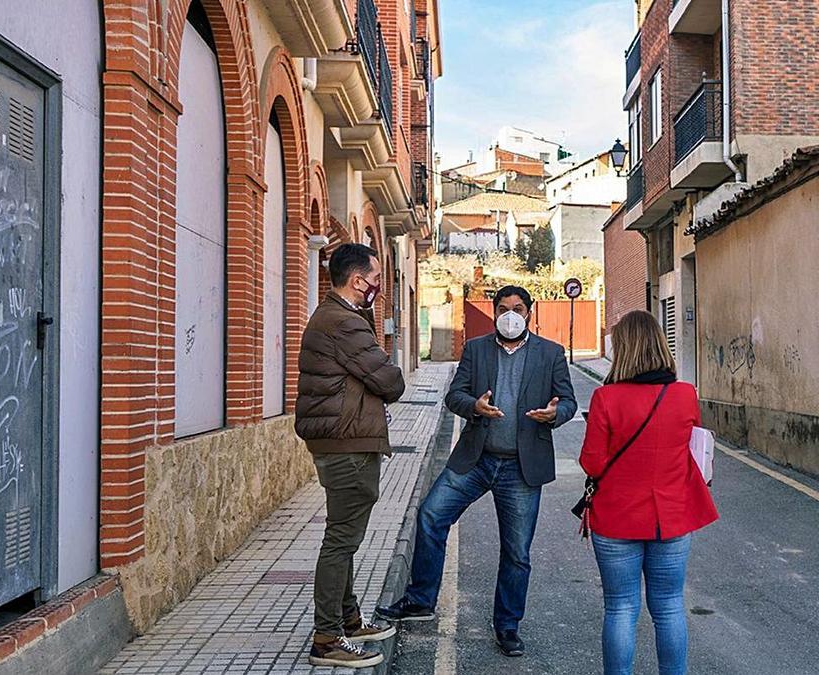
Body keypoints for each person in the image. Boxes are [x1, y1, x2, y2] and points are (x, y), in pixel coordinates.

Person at [378, 285, 577, 657]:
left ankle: (507, 624)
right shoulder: (476, 348)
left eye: (518, 308)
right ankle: (420, 600)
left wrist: (555, 415)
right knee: (431, 515)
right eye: (503, 309)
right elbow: (455, 394)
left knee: (517, 551)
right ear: (495, 312)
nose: (511, 315)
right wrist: (474, 406)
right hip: (477, 457)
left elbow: (568, 400)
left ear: (529, 312)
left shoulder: (550, 353)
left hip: (521, 467)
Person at [578, 310, 718, 675]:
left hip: (616, 520)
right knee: (670, 607)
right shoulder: (686, 395)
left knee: (621, 608)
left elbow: (592, 464)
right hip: (670, 518)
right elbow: (693, 450)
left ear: (623, 350)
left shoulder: (605, 398)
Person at [295, 243, 406, 668]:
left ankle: (348, 619)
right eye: (376, 279)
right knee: (341, 540)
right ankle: (327, 638)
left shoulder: (336, 317)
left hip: (342, 440)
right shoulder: (345, 323)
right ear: (358, 281)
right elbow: (390, 381)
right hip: (348, 444)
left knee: (344, 536)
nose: (379, 286)